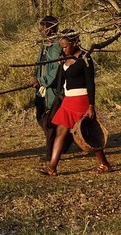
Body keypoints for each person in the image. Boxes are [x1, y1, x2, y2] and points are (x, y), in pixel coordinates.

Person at [40, 32, 113, 175]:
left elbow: (91, 83)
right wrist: (60, 65)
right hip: (68, 100)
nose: (63, 49)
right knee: (60, 131)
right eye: (61, 47)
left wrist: (91, 105)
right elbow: (62, 80)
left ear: (74, 43)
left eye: (65, 46)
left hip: (81, 100)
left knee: (86, 133)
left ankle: (104, 164)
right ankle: (52, 167)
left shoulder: (85, 58)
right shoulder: (65, 58)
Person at [34, 15, 64, 160]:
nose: (41, 31)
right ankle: (60, 142)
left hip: (54, 89)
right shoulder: (44, 44)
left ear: (51, 28)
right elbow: (40, 65)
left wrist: (42, 80)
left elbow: (56, 70)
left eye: (43, 28)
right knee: (40, 117)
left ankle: (50, 153)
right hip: (42, 88)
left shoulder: (59, 45)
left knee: (49, 122)